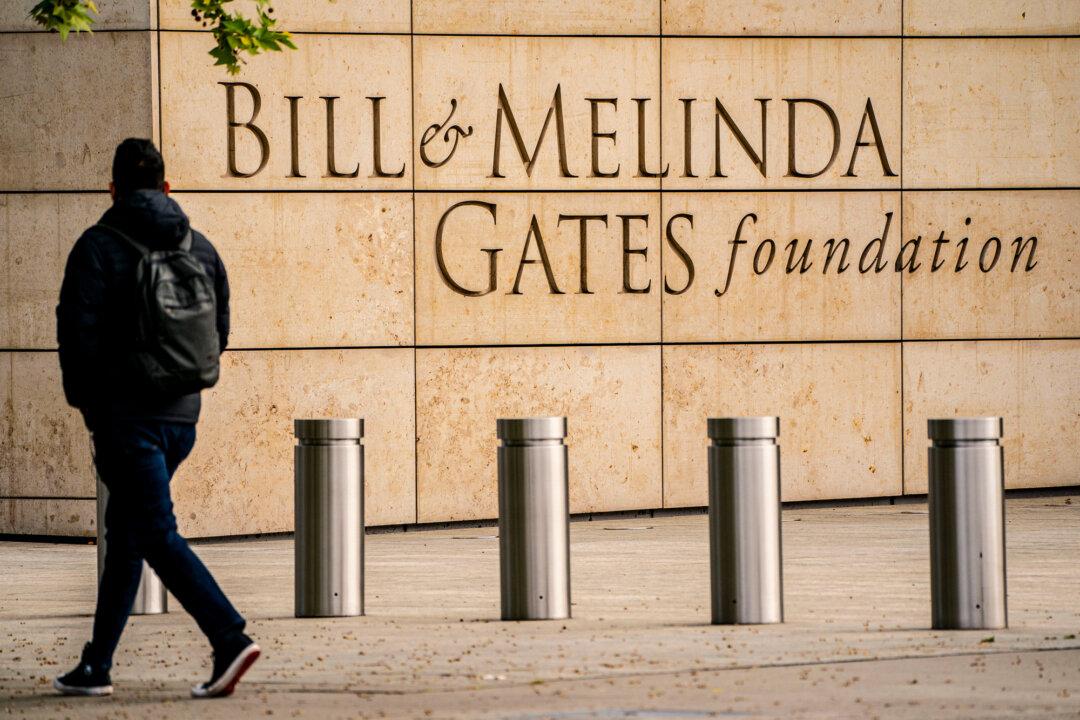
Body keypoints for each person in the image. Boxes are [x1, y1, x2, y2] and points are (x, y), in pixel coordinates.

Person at [53, 138, 259, 699]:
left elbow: (76, 337)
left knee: (155, 532)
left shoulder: (97, 245)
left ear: (114, 188)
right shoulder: (202, 246)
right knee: (127, 534)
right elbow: (219, 334)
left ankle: (228, 637)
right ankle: (96, 665)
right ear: (167, 188)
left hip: (128, 421)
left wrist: (91, 410)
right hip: (182, 420)